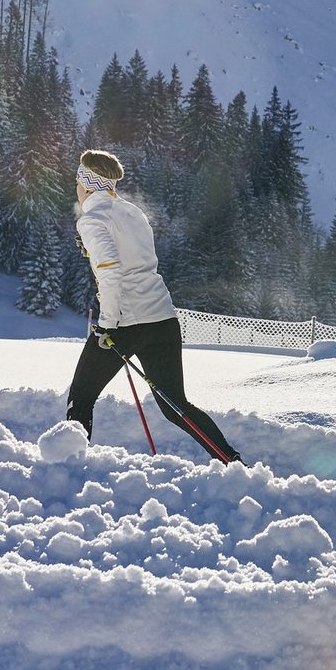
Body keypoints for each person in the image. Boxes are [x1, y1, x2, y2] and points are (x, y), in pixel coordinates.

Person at [65, 148, 240, 463]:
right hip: (162, 319)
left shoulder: (91, 220)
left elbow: (111, 272)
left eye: (78, 181)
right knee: (176, 406)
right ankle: (232, 462)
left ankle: (69, 464)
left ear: (87, 184)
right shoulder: (133, 212)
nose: (75, 188)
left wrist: (106, 325)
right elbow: (134, 260)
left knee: (81, 397)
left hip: (123, 324)